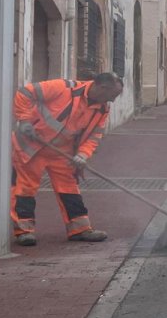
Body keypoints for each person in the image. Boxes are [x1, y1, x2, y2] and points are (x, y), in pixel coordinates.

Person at [11, 73, 123, 246]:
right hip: (31, 147)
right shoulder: (63, 88)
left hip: (61, 152)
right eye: (113, 95)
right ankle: (24, 231)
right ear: (102, 88)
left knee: (69, 188)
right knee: (25, 187)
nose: (114, 100)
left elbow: (94, 136)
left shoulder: (102, 109)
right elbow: (25, 92)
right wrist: (24, 120)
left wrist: (82, 155)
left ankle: (79, 229)